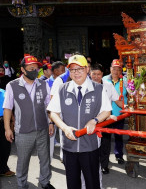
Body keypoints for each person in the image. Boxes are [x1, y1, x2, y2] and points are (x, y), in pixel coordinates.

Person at [47, 54, 111, 189]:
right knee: (72, 184)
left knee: (92, 183)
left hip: (90, 146)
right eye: (72, 70)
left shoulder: (98, 88)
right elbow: (53, 112)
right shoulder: (63, 89)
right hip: (69, 146)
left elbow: (106, 111)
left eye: (79, 69)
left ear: (87, 69)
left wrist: (95, 120)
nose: (76, 73)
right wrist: (64, 128)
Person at [3, 54, 55, 189]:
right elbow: (7, 108)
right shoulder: (12, 85)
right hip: (24, 131)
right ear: (23, 70)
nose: (35, 71)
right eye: (31, 68)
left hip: (42, 128)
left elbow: (49, 106)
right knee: (23, 161)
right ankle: (22, 184)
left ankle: (44, 182)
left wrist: (51, 122)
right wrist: (8, 129)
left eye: (36, 68)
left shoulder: (43, 84)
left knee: (45, 159)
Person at [103, 59, 127, 164]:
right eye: (114, 69)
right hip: (105, 114)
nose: (116, 71)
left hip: (119, 112)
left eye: (118, 69)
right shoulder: (103, 80)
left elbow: (131, 95)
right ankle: (105, 158)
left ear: (121, 70)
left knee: (118, 135)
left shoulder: (125, 81)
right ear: (110, 69)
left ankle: (119, 155)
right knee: (106, 137)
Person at [0, 88, 15, 177]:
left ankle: (3, 168)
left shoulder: (4, 92)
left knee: (5, 147)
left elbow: (9, 108)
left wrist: (13, 121)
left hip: (3, 121)